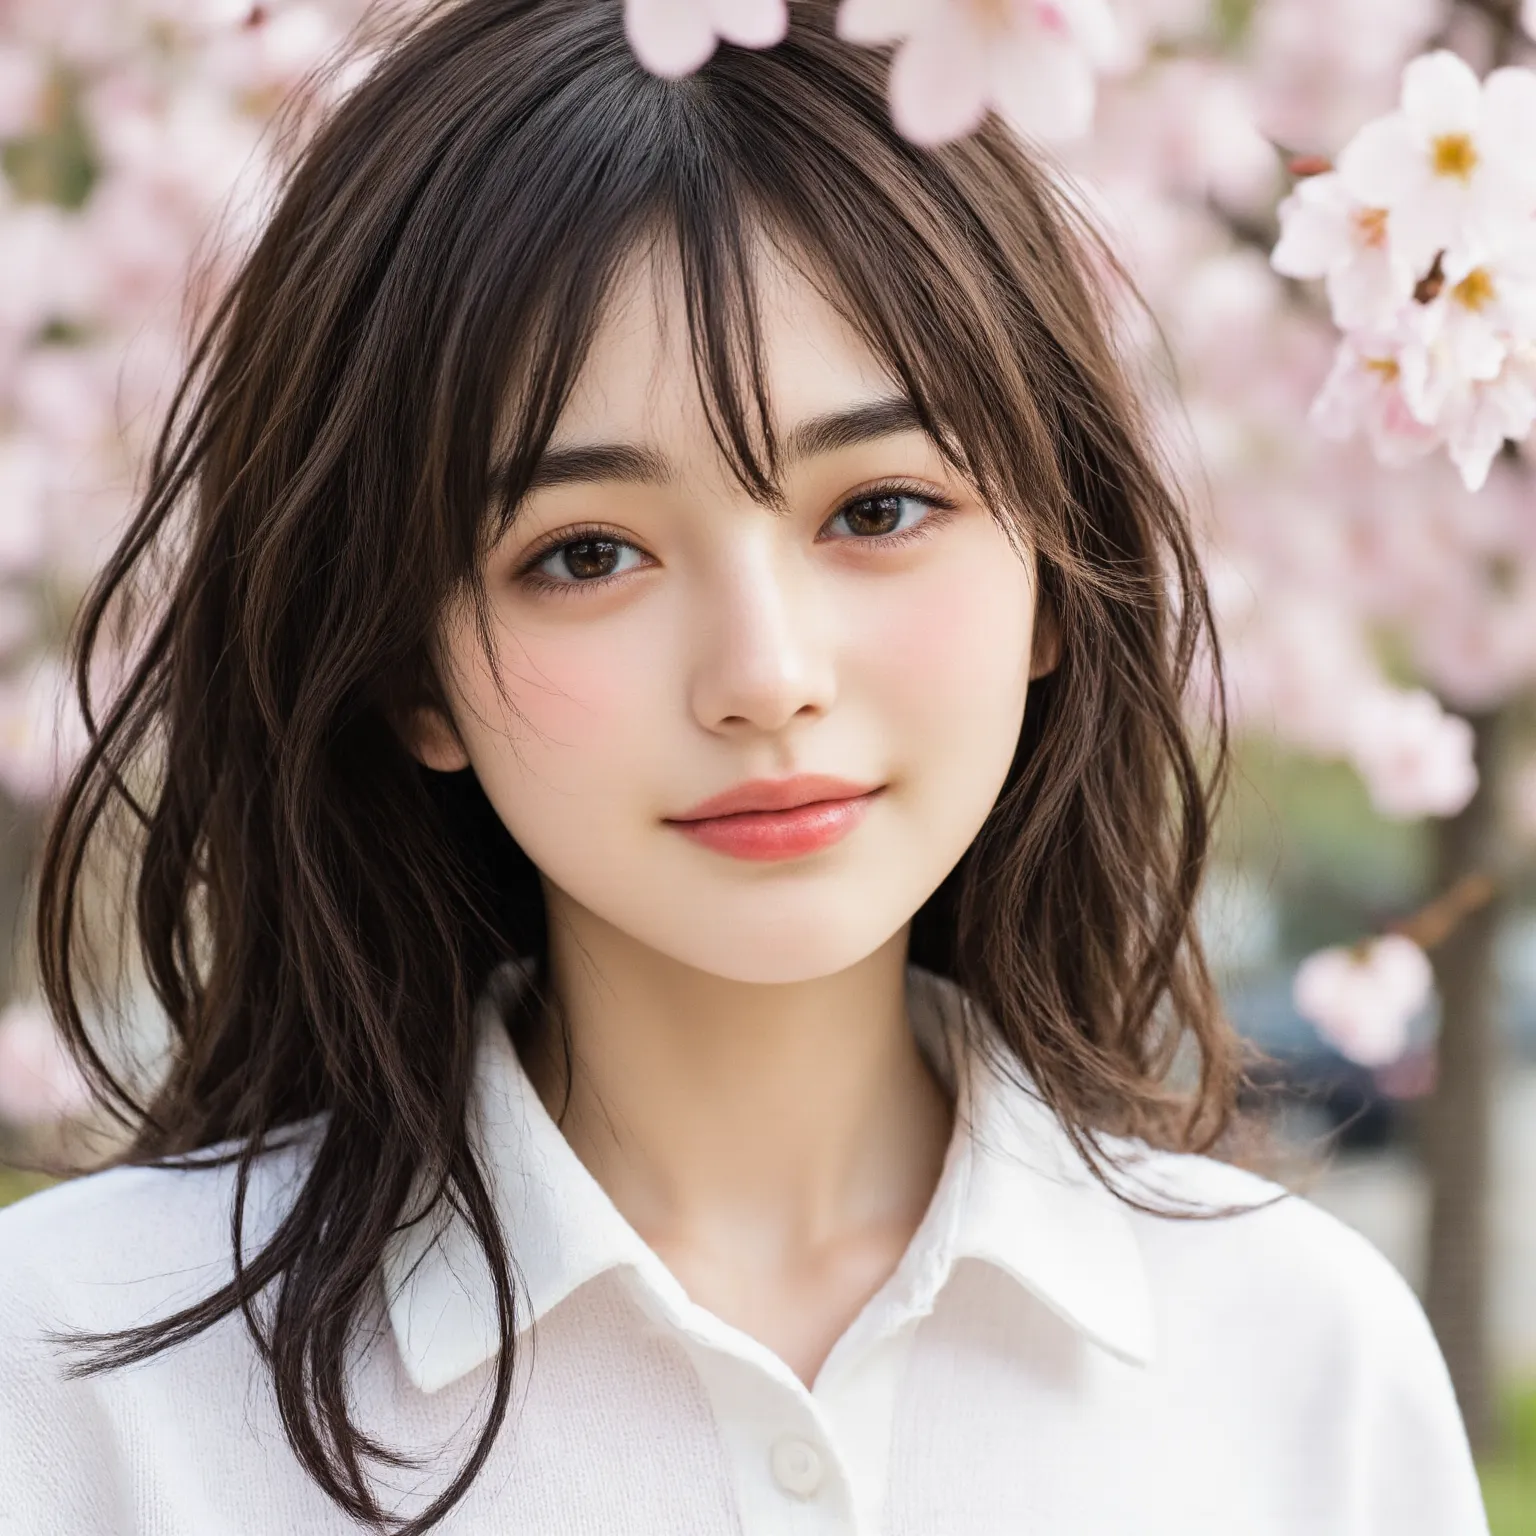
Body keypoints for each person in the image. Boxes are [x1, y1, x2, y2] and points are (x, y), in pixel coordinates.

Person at [0, 1, 1491, 1532]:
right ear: (409, 673)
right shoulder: (78, 1386)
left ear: (1053, 570)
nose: (768, 676)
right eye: (587, 553)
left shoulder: (1298, 1356)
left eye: (878, 510)